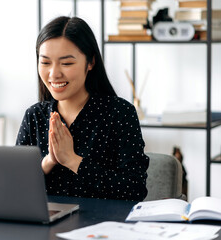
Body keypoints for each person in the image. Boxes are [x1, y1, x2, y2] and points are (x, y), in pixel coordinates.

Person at [16, 16, 149, 201]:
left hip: (103, 226)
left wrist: (72, 160)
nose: (54, 74)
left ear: (90, 62)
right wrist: (49, 161)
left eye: (67, 63)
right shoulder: (34, 116)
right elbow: (15, 187)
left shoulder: (119, 113)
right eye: (45, 62)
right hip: (46, 226)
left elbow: (134, 189)